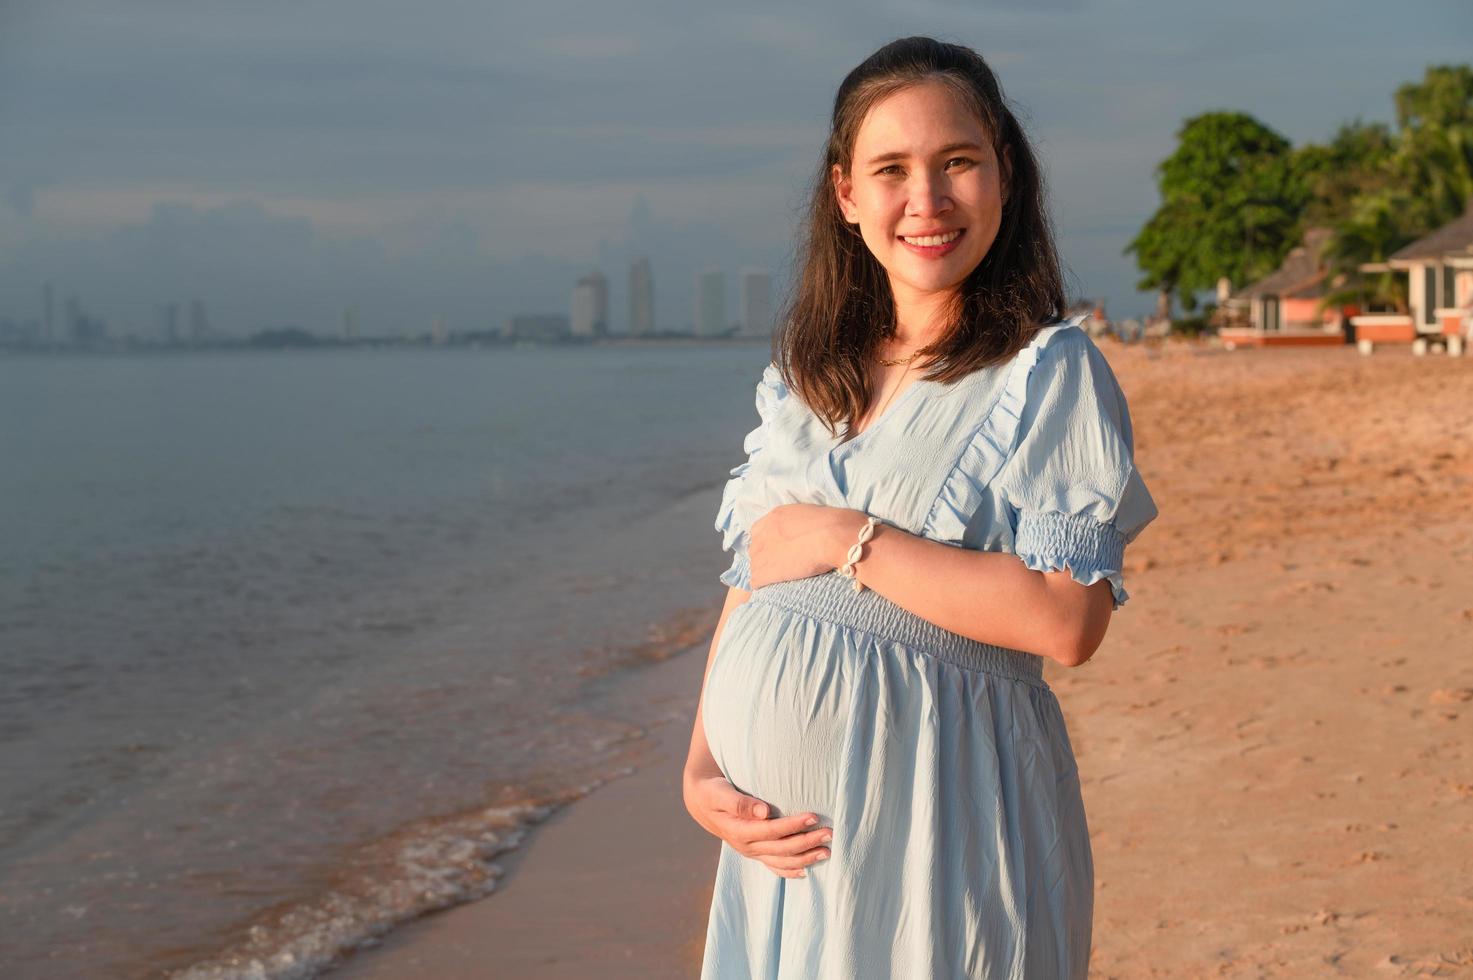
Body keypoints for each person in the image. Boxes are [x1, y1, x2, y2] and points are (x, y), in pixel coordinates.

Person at [682, 35, 1158, 979]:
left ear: (1004, 174)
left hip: (942, 817)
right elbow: (750, 585)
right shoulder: (801, 384)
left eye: (956, 164)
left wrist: (847, 537)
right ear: (845, 196)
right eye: (890, 170)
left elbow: (1066, 621)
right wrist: (698, 772)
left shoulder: (1045, 372)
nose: (926, 201)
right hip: (783, 853)